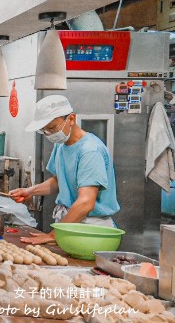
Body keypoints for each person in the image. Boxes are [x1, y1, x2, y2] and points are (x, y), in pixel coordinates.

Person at [9, 95, 120, 244]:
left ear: (71, 118)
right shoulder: (61, 145)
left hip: (90, 229)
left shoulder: (90, 150)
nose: (49, 134)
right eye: (44, 130)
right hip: (70, 224)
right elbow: (59, 180)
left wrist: (53, 235)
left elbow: (86, 202)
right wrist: (30, 191)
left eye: (52, 128)